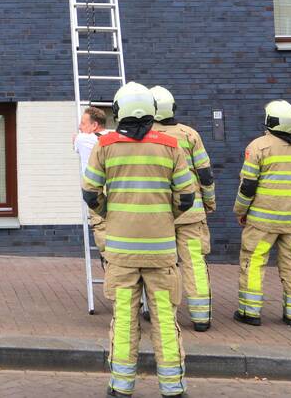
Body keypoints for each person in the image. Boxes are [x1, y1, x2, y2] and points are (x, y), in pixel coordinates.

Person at [83, 82, 193, 398]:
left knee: (125, 320)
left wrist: (112, 213)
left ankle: (121, 387)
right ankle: (173, 388)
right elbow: (186, 198)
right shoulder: (171, 146)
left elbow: (90, 193)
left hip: (120, 252)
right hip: (161, 253)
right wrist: (162, 218)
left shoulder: (105, 145)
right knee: (164, 320)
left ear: (119, 111)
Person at [233, 100, 291, 327]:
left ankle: (250, 313)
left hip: (262, 222)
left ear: (269, 121)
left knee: (254, 262)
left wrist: (240, 210)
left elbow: (248, 186)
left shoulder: (258, 147)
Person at [150, 86, 215, 332]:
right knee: (194, 264)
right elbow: (205, 174)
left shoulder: (145, 136)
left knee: (161, 266)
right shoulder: (189, 135)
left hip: (159, 215)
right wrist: (209, 202)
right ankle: (201, 317)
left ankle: (163, 315)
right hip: (191, 212)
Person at [73, 106, 109, 258]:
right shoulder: (114, 136)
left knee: (102, 232)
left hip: (97, 193)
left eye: (83, 123)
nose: (80, 127)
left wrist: (77, 137)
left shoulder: (81, 139)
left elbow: (74, 141)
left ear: (94, 126)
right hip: (118, 191)